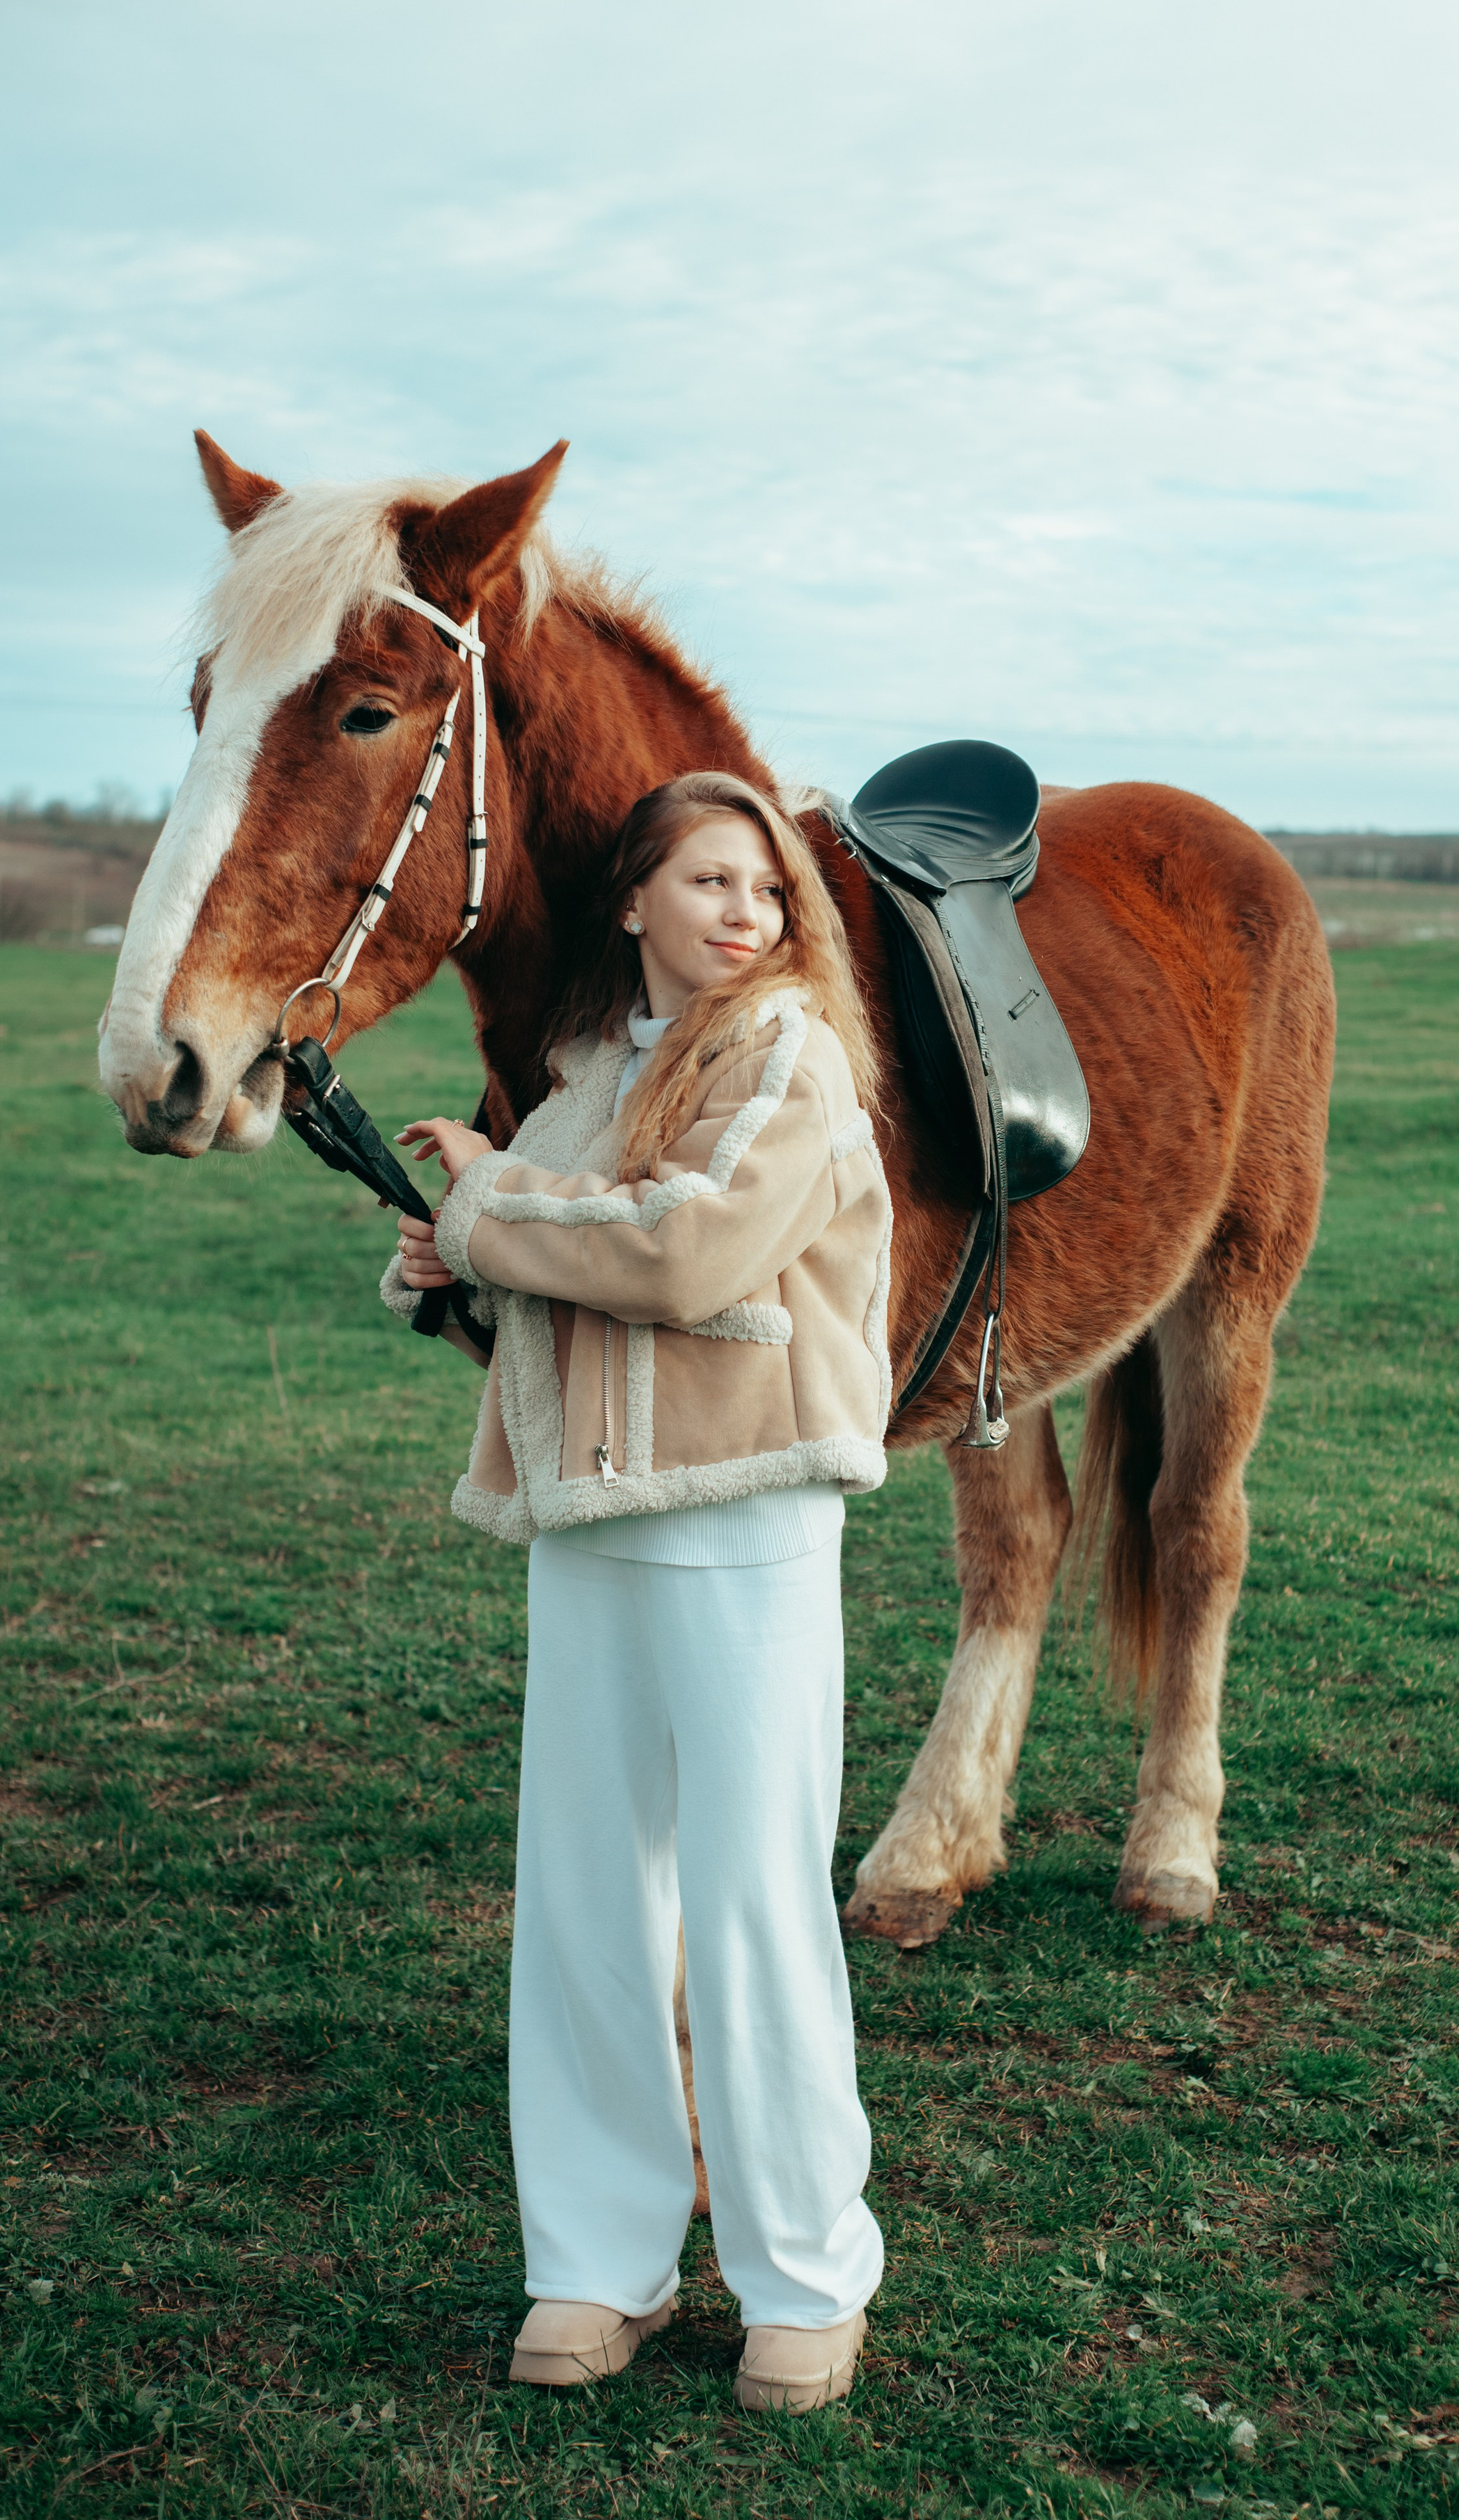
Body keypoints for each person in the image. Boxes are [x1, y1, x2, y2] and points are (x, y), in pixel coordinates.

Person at [385, 770, 892, 2413]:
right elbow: (549, 1287)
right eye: (709, 883)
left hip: (748, 1520)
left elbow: (680, 1255)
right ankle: (599, 2266)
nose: (745, 913)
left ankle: (805, 2273)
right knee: (588, 1903)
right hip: (592, 1525)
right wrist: (445, 1275)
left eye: (764, 889)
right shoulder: (583, 1077)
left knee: (753, 1903)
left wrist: (482, 1209)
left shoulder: (791, 1058)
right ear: (633, 903)